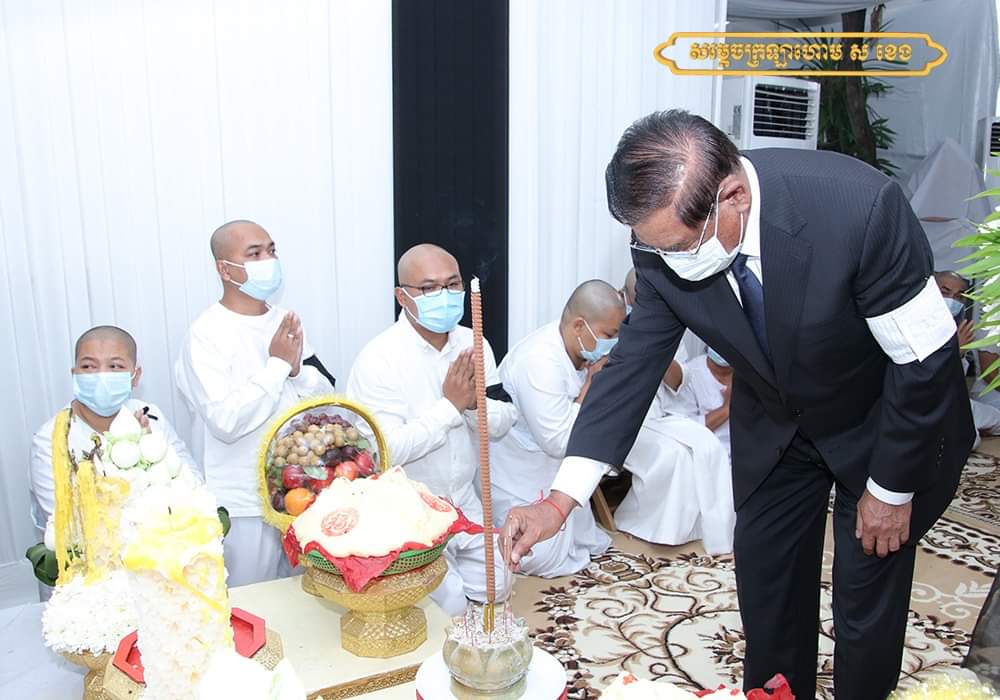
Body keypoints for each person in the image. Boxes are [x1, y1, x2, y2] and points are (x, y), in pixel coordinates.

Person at [502, 110, 975, 700]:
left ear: (734, 197)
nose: (666, 260)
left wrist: (892, 489)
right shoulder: (660, 241)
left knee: (865, 602)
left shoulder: (860, 207)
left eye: (679, 246)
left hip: (884, 422)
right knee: (768, 593)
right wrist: (558, 501)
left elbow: (925, 360)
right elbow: (629, 373)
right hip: (777, 426)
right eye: (651, 246)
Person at [493, 279, 734, 570]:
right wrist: (592, 388)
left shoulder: (582, 348)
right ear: (579, 326)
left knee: (585, 543)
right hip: (521, 465)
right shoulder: (538, 362)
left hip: (563, 458)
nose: (616, 342)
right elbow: (558, 443)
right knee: (537, 555)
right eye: (610, 334)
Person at [346, 243, 517, 615]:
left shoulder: (474, 342)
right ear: (402, 296)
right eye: (428, 288)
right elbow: (384, 452)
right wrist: (449, 408)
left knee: (500, 583)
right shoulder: (379, 359)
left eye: (452, 284)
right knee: (450, 604)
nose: (444, 295)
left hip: (464, 499)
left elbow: (505, 419)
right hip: (407, 508)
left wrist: (472, 407)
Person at [175, 220, 335, 586]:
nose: (268, 260)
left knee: (306, 597)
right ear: (225, 269)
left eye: (271, 250)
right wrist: (277, 366)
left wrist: (296, 371)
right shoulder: (205, 334)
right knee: (252, 601)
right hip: (243, 503)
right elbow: (225, 421)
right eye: (254, 253)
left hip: (301, 493)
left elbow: (326, 398)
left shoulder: (285, 320)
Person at [30, 325, 196, 541]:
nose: (101, 376)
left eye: (115, 366)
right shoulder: (50, 439)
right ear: (74, 375)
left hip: (165, 544)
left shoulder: (150, 415)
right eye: (88, 366)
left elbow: (192, 481)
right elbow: (64, 525)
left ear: (135, 376)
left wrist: (150, 450)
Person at [933, 271, 1000, 443]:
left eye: (959, 296)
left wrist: (960, 353)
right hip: (925, 401)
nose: (952, 300)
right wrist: (956, 352)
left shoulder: (959, 327)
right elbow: (926, 377)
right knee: (969, 439)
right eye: (945, 292)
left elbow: (957, 383)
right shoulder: (914, 324)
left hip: (955, 400)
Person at [661, 348, 734, 456]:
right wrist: (726, 409)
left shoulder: (749, 373)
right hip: (707, 459)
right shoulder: (692, 374)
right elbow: (687, 432)